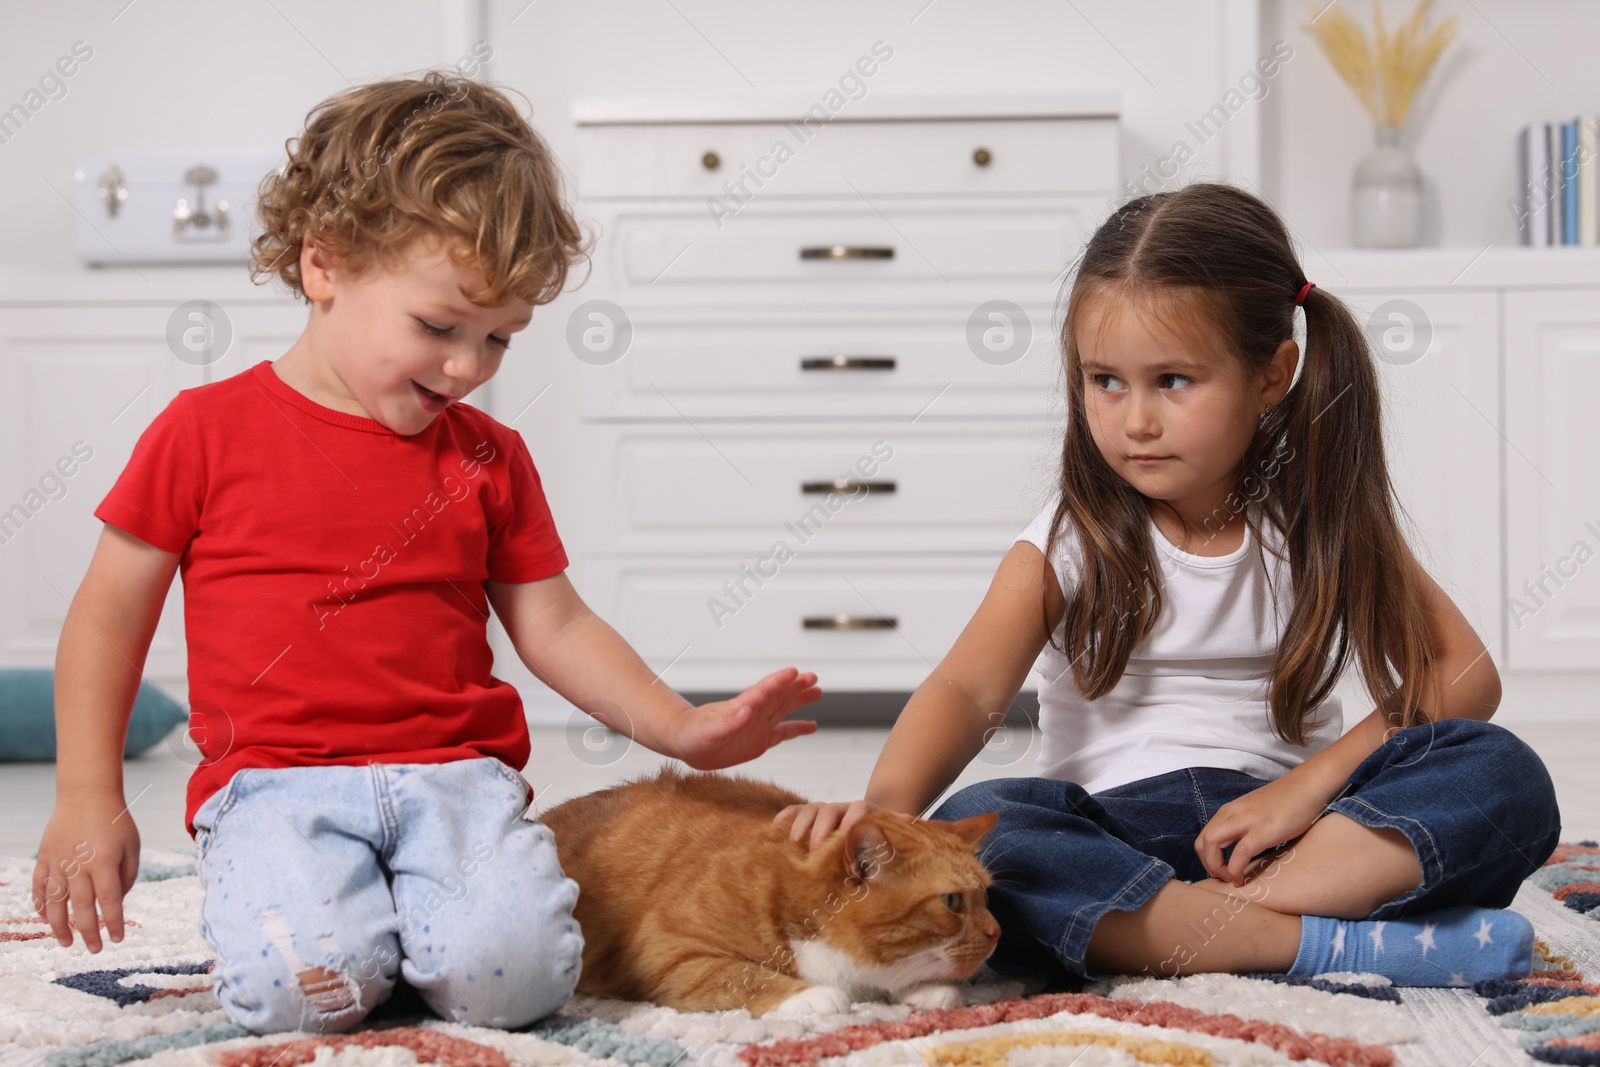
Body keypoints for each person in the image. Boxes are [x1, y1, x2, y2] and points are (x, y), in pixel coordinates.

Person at [32, 72, 821, 1035]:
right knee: (305, 992)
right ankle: (353, 924)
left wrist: (678, 727)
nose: (468, 368)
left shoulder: (490, 460)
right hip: (275, 784)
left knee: (518, 983)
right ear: (324, 265)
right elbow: (109, 613)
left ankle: (413, 928)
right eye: (439, 327)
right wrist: (86, 794)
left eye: (499, 339)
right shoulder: (203, 430)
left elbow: (556, 621)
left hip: (455, 779)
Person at [775, 182, 1560, 989]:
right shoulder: (1066, 537)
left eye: (1173, 380)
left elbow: (1463, 672)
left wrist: (1306, 787)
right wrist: (888, 817)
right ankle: (1326, 944)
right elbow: (969, 689)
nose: (1134, 420)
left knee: (1503, 774)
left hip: (1296, 839)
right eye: (1105, 380)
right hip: (1110, 828)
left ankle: (1195, 924)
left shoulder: (1320, 518)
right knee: (1001, 833)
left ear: (1271, 375)